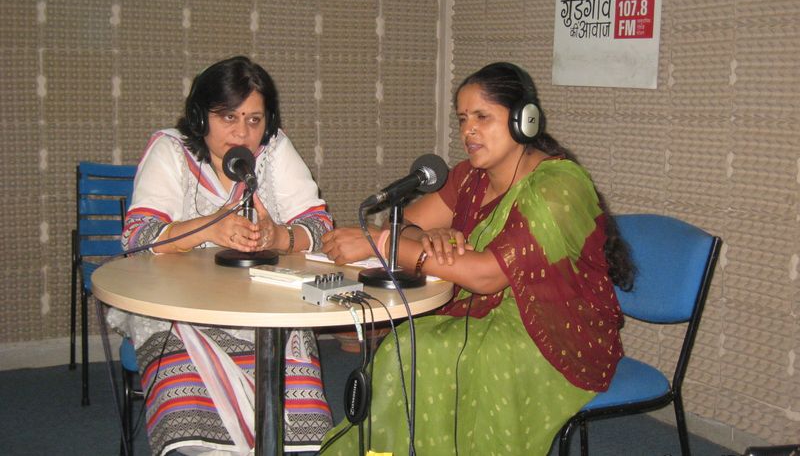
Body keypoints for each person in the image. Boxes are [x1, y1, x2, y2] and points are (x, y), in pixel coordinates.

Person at [319, 62, 635, 455]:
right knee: (406, 345)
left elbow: (486, 277)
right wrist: (427, 236)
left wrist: (385, 245)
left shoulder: (559, 185)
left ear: (525, 120)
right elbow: (408, 221)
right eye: (463, 119)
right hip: (483, 315)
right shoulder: (470, 176)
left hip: (557, 333)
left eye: (482, 117)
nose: (468, 131)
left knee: (432, 354)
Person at [107, 56, 334, 455]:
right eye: (228, 117)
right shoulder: (171, 150)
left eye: (254, 120)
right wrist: (208, 228)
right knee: (190, 392)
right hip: (176, 307)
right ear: (200, 117)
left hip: (261, 304)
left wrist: (279, 236)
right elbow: (138, 237)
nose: (242, 133)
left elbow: (319, 226)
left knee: (290, 345)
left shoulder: (274, 150)